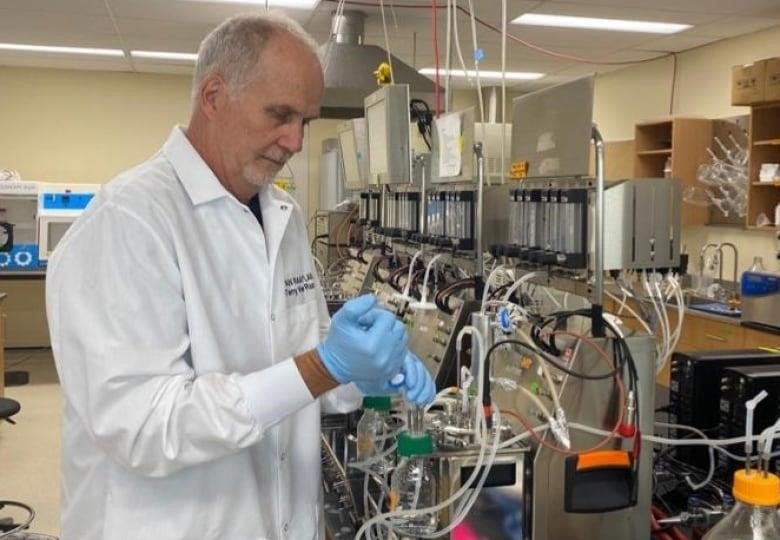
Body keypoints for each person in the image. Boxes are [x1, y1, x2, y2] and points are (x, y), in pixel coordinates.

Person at [45, 11, 435, 540]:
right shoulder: (129, 222)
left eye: (306, 121)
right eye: (280, 115)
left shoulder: (283, 216)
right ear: (213, 96)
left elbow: (301, 360)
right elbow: (143, 426)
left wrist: (360, 379)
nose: (295, 141)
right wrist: (325, 366)